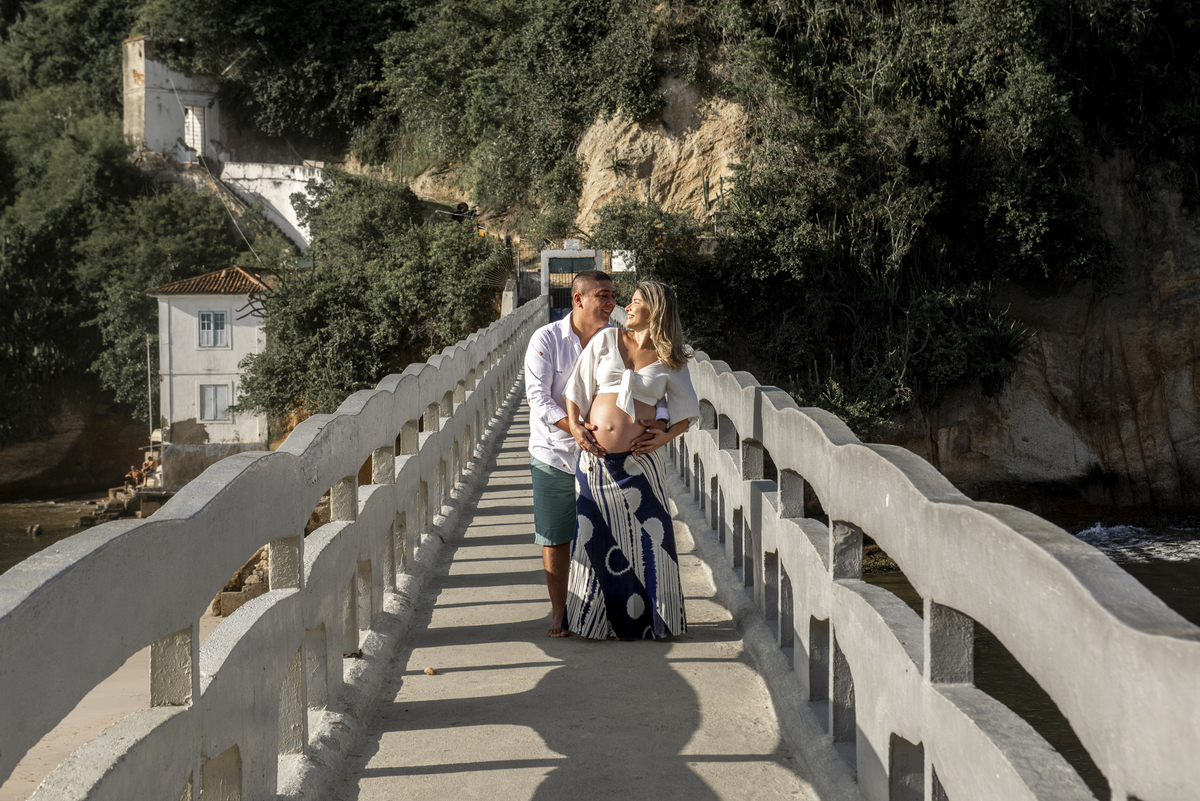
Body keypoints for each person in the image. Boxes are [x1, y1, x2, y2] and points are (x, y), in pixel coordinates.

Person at [524, 270, 669, 638]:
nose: (611, 303)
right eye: (603, 296)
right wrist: (572, 427)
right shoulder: (547, 340)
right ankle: (560, 612)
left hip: (610, 461)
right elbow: (538, 397)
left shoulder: (620, 335)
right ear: (578, 300)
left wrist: (663, 422)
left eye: (613, 296)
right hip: (556, 453)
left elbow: (656, 382)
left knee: (606, 536)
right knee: (557, 535)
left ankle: (604, 614)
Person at [562, 281, 699, 640]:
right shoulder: (607, 340)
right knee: (594, 540)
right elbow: (575, 388)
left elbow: (687, 410)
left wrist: (665, 435)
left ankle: (653, 621)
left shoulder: (671, 357)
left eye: (636, 302)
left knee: (652, 540)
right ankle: (594, 622)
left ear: (655, 310)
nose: (627, 306)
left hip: (640, 465)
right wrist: (577, 429)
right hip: (595, 462)